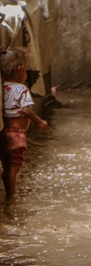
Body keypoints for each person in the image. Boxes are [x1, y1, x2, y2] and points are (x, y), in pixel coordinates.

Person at [1, 48, 49, 200]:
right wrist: (40, 121)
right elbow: (26, 109)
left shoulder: (2, 87)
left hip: (3, 131)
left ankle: (7, 194)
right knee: (13, 166)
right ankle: (11, 197)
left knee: (6, 164)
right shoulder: (21, 89)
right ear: (20, 70)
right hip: (17, 134)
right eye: (26, 69)